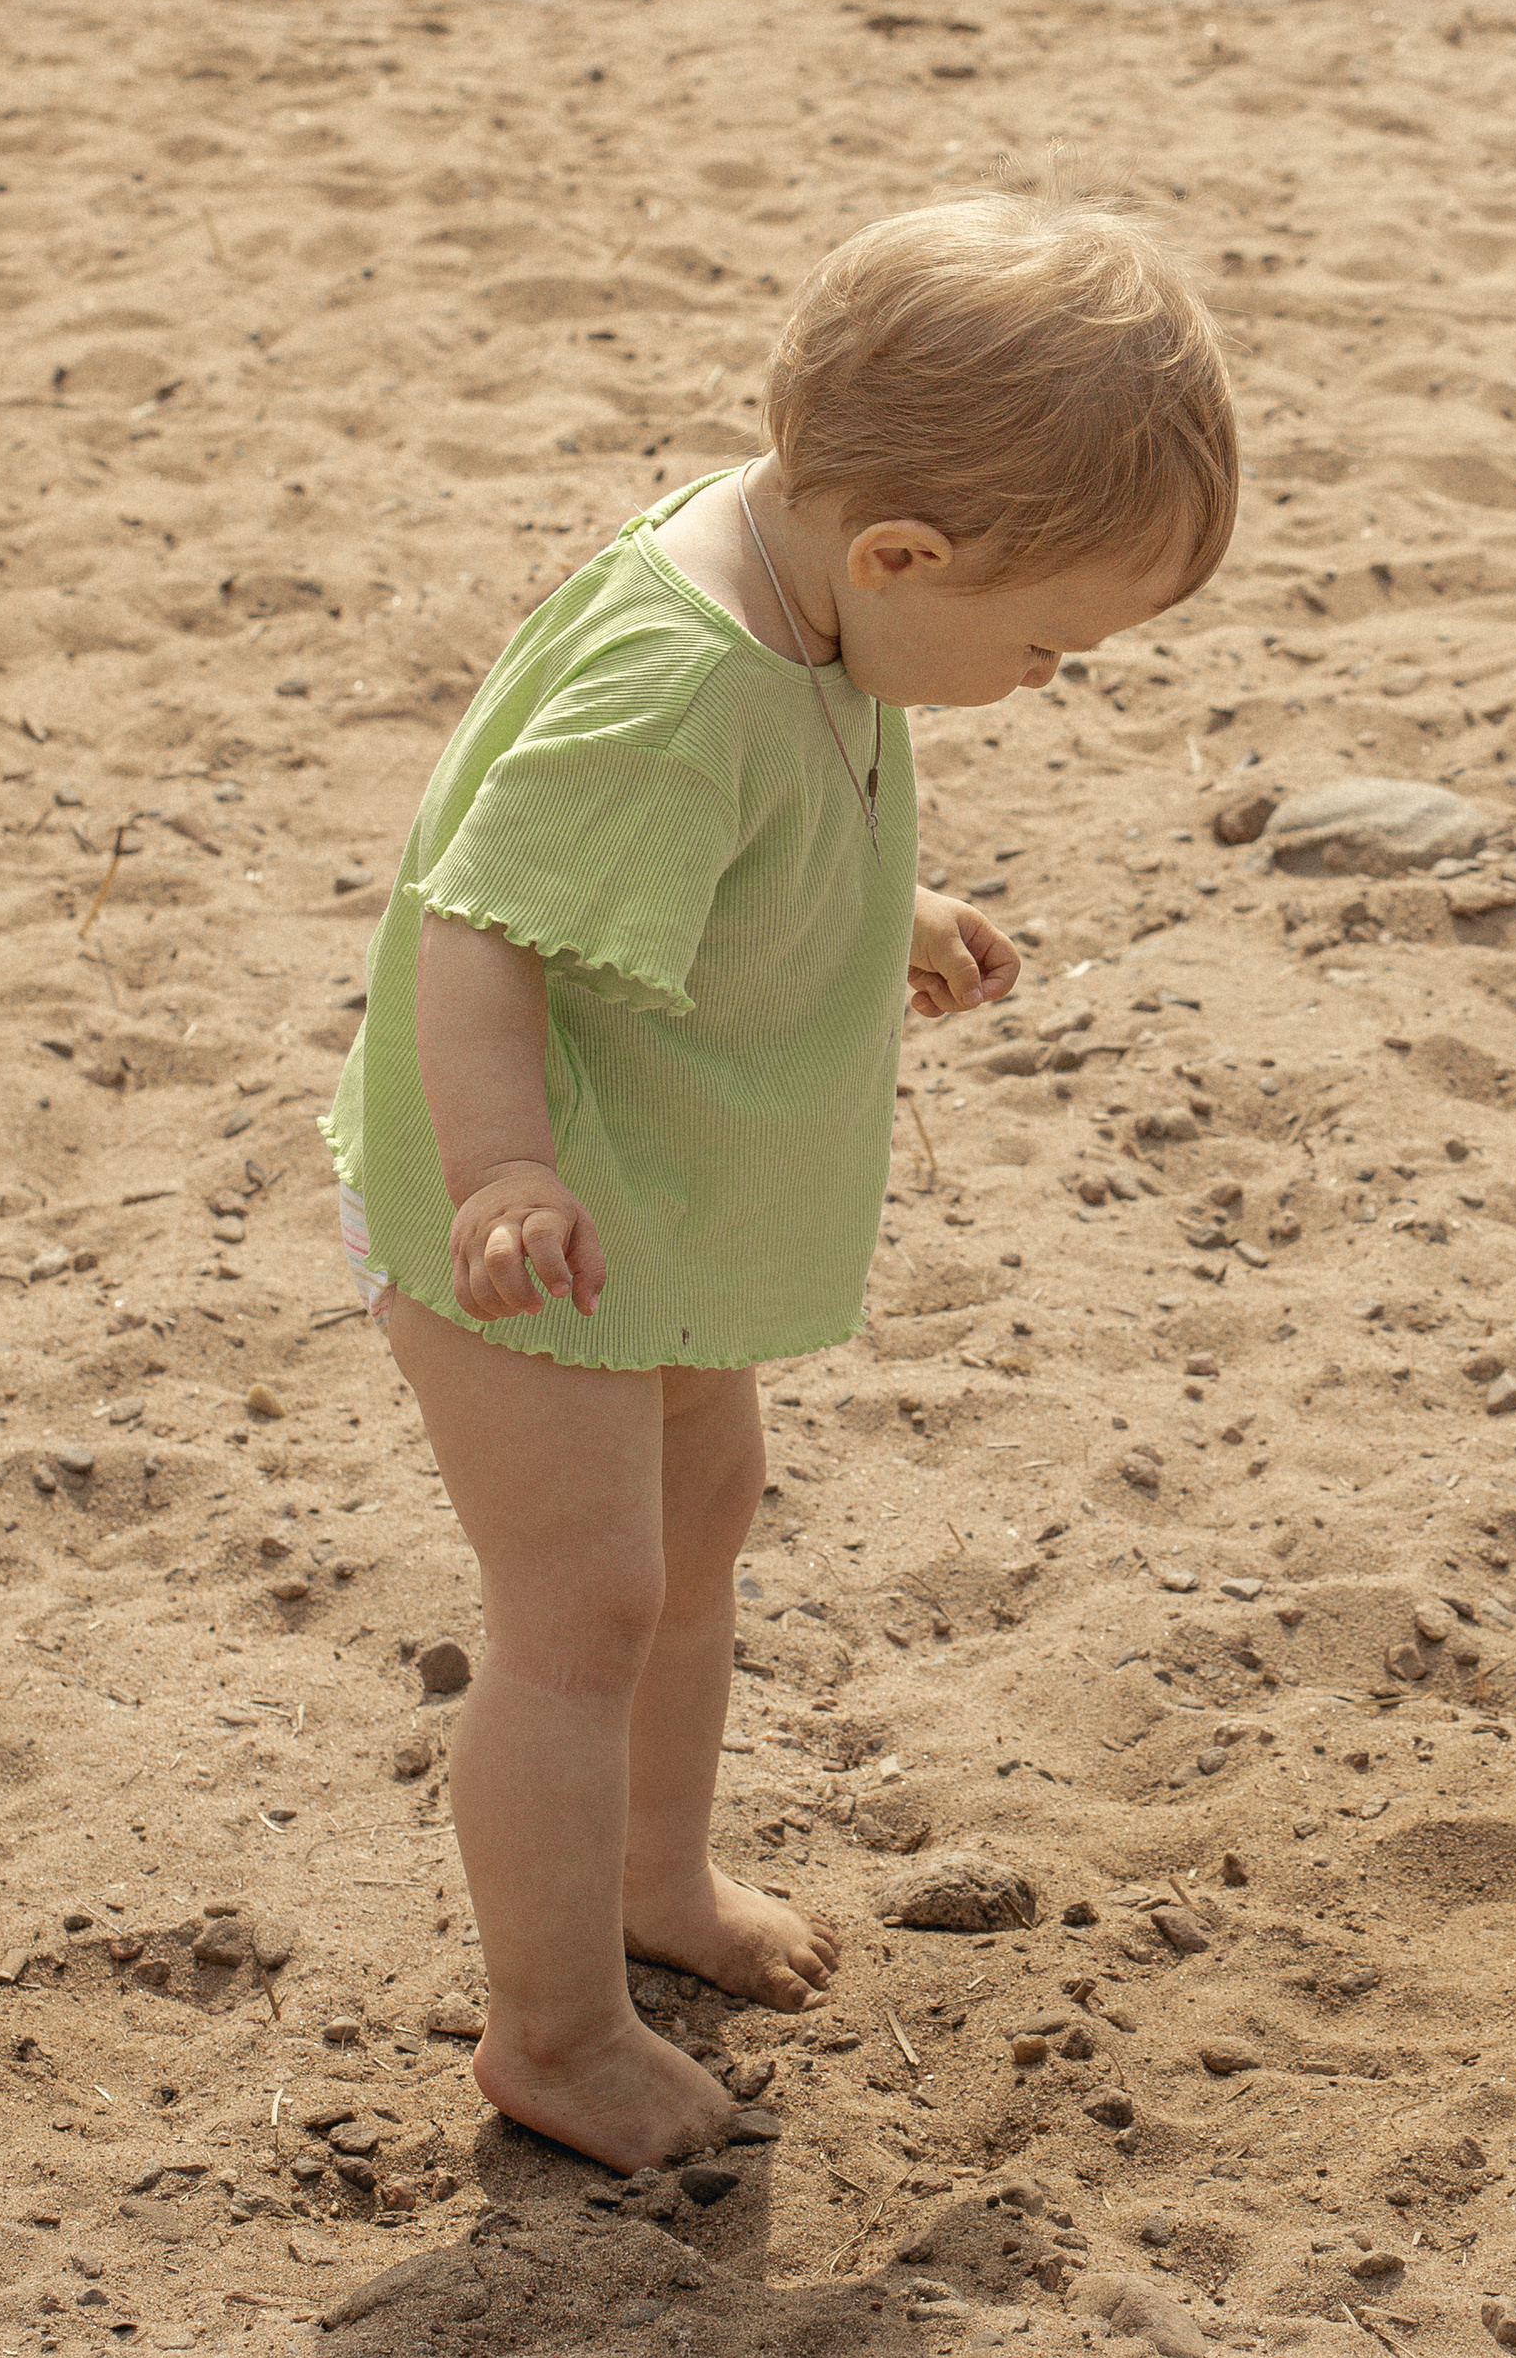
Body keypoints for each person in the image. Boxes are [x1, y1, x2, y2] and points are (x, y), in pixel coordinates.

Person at [324, 191, 1238, 2174]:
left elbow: (733, 845)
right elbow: (483, 926)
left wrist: (880, 910)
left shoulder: (805, 566)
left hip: (649, 1190)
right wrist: (495, 1174)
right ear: (899, 553)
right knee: (581, 1602)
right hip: (532, 1207)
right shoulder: (684, 680)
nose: (1047, 681)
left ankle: (653, 1883)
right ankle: (553, 2029)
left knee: (703, 1517)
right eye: (1047, 647)